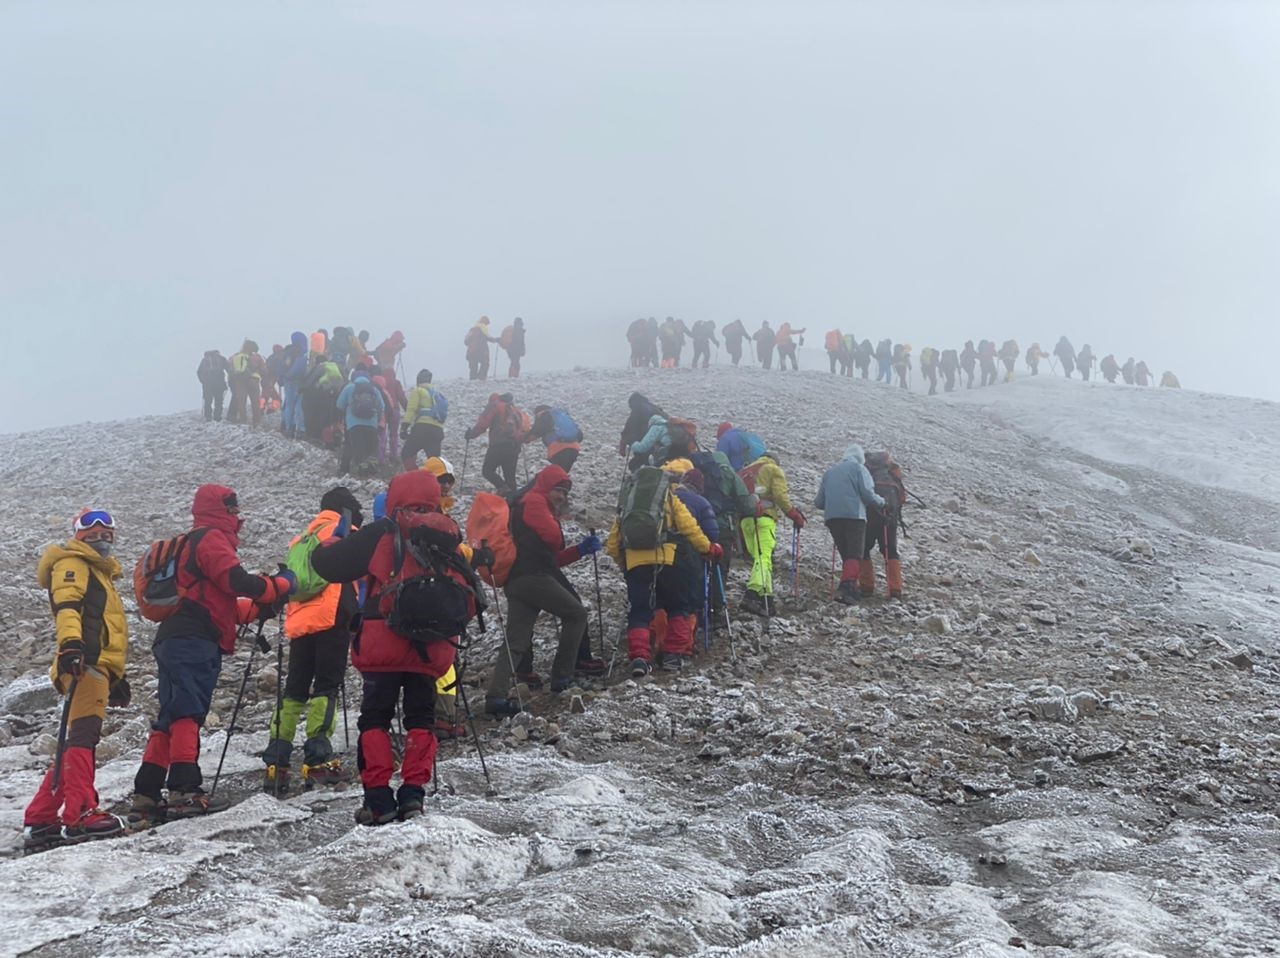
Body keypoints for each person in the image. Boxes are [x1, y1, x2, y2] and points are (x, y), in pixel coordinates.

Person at [310, 470, 481, 825]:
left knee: (375, 718)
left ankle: (378, 800)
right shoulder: (447, 534)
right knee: (421, 718)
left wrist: (331, 542)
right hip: (431, 649)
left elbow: (327, 566)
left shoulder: (383, 531)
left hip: (381, 643)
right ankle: (413, 797)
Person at [130, 486, 297, 822]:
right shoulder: (211, 539)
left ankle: (146, 794)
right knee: (187, 712)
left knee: (171, 714)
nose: (239, 517)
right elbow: (237, 581)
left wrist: (261, 607)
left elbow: (218, 602)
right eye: (233, 510)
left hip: (174, 637)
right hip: (194, 640)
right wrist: (279, 585)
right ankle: (184, 790)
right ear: (222, 511)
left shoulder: (192, 542)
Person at [23, 510, 132, 851]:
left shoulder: (99, 572)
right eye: (92, 529)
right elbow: (67, 607)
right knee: (83, 739)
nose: (102, 535)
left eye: (107, 530)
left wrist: (116, 675)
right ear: (78, 534)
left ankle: (41, 817)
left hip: (94, 666)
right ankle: (80, 813)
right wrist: (71, 646)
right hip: (84, 664)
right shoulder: (74, 564)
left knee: (75, 743)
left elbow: (99, 624)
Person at [262, 487, 363, 792]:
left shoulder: (301, 538)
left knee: (294, 689)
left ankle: (276, 762)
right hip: (331, 616)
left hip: (300, 621)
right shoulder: (344, 530)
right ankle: (317, 761)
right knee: (326, 686)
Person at [486, 465, 601, 714]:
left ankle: (495, 698)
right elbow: (553, 540)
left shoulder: (527, 506)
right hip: (533, 578)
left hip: (517, 581)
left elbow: (551, 558)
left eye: (565, 492)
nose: (562, 496)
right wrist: (557, 526)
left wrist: (580, 550)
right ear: (546, 487)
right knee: (576, 614)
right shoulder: (535, 501)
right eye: (558, 490)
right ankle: (562, 677)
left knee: (515, 642)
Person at [606, 466, 720, 677]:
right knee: (678, 607)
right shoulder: (669, 499)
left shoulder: (628, 503)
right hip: (668, 560)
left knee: (639, 611)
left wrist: (625, 563)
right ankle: (672, 655)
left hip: (636, 563)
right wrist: (708, 548)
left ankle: (640, 658)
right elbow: (690, 528)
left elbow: (613, 542)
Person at [815, 447, 885, 605]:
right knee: (854, 554)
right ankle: (847, 589)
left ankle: (850, 586)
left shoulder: (830, 472)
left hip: (832, 519)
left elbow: (819, 502)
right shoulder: (860, 469)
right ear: (860, 458)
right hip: (855, 517)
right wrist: (881, 502)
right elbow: (868, 495)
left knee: (846, 554)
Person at [738, 452, 804, 616]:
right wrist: (794, 514)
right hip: (764, 518)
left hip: (745, 521)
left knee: (760, 558)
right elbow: (780, 496)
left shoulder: (746, 471)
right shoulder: (773, 469)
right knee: (764, 557)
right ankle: (752, 594)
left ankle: (766, 598)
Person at [464, 392, 527, 494]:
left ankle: (503, 488)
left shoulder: (495, 406)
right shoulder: (516, 410)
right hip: (514, 447)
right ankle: (513, 501)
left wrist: (471, 434)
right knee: (510, 477)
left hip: (498, 445)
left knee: (487, 470)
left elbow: (483, 424)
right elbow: (523, 429)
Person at [336, 369, 386, 477]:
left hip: (353, 425)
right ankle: (371, 471)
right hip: (371, 425)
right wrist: (376, 421)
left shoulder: (349, 387)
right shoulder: (374, 389)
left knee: (355, 447)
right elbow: (382, 406)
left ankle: (353, 470)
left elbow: (339, 404)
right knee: (370, 448)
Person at [301, 352, 345, 444]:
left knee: (321, 415)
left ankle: (321, 437)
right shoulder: (335, 366)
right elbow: (344, 379)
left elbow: (310, 380)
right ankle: (334, 435)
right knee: (332, 416)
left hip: (321, 394)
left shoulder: (319, 367)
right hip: (335, 393)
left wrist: (302, 388)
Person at [525, 404, 583, 472]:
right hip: (574, 449)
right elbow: (580, 435)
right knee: (562, 473)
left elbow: (534, 434)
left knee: (557, 473)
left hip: (558, 450)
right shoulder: (562, 417)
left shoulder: (544, 416)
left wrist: (522, 439)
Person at [619, 392, 665, 471]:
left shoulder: (638, 408)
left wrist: (623, 445)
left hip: (647, 441)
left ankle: (640, 478)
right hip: (661, 443)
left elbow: (629, 426)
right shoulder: (656, 409)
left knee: (634, 464)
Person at [228, 340, 265, 425]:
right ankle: (256, 421)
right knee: (255, 402)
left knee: (242, 402)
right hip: (254, 381)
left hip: (240, 381)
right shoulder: (258, 358)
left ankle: (243, 421)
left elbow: (230, 370)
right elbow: (264, 371)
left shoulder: (235, 356)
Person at [280, 332, 310, 438]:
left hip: (290, 381)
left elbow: (285, 366)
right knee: (299, 406)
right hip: (301, 381)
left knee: (290, 405)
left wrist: (287, 376)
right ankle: (301, 429)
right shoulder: (302, 351)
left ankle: (289, 428)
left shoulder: (289, 351)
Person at [380, 364, 408, 462]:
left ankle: (381, 457)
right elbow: (401, 397)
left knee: (382, 434)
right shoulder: (396, 383)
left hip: (383, 411)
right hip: (395, 410)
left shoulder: (381, 382)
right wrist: (407, 409)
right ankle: (394, 455)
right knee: (394, 434)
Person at [197, 350, 230, 422]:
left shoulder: (204, 360)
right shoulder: (221, 358)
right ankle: (217, 418)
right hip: (219, 383)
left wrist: (203, 381)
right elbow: (229, 369)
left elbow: (199, 372)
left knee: (208, 401)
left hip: (207, 384)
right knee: (219, 401)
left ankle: (208, 417)